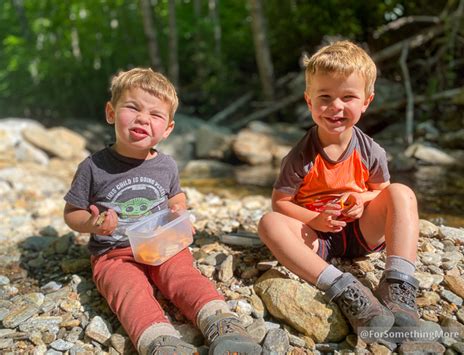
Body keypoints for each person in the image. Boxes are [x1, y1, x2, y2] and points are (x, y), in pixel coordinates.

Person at [64, 68, 261, 355]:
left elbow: (175, 196)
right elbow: (72, 214)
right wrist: (94, 224)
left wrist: (179, 211)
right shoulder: (93, 167)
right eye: (132, 107)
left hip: (162, 244)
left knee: (184, 276)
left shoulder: (166, 165)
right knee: (129, 291)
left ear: (167, 129)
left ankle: (221, 322)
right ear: (110, 112)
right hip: (114, 253)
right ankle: (158, 341)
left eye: (155, 115)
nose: (143, 118)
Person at [258, 41, 420, 339]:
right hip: (317, 240)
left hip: (361, 231)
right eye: (325, 97)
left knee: (402, 192)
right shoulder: (300, 155)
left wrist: (363, 198)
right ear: (309, 102)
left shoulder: (371, 151)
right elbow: (280, 203)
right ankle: (342, 286)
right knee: (269, 223)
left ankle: (399, 283)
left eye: (348, 97)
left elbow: (380, 193)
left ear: (366, 101)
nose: (336, 107)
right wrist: (313, 219)